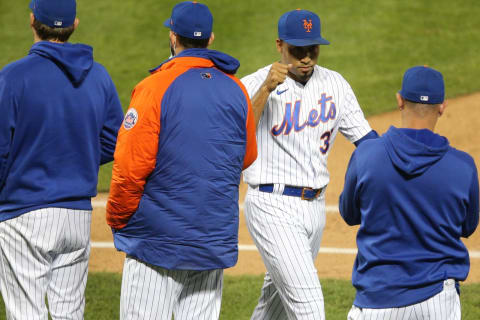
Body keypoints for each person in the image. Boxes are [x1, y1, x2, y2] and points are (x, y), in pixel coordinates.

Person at [105, 1, 257, 319]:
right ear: (210, 39)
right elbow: (247, 157)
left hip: (156, 245)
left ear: (173, 37)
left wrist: (118, 219)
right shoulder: (237, 89)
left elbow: (130, 168)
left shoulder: (155, 88)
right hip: (212, 245)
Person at [240, 9, 377, 320]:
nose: (305, 58)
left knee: (274, 306)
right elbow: (234, 135)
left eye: (312, 50)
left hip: (314, 209)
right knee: (309, 306)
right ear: (279, 45)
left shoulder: (335, 84)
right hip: (271, 205)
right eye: (297, 51)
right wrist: (265, 90)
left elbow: (367, 141)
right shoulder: (253, 83)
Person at [0, 0, 124, 319]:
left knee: (25, 312)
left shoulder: (13, 77)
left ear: (32, 21)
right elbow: (114, 140)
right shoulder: (98, 76)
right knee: (68, 313)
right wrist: (76, 157)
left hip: (23, 212)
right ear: (74, 25)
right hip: (77, 216)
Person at [339, 66, 479, 319]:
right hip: (439, 299)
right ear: (443, 106)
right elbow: (467, 227)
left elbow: (349, 215)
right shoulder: (463, 166)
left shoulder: (366, 155)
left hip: (377, 299)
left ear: (400, 100)